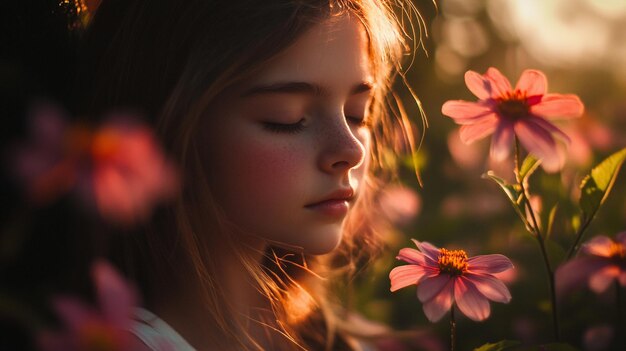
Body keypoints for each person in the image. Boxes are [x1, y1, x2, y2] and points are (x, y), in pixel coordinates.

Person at [74, 0, 424, 349]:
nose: (352, 150)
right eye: (286, 118)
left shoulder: (325, 338)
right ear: (164, 130)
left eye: (356, 114)